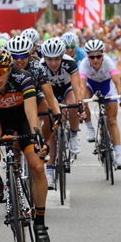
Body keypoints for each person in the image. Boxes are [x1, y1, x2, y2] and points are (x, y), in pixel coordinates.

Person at [0, 48, 50, 242]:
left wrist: (38, 139)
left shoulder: (24, 78)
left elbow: (32, 114)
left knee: (38, 167)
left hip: (22, 119)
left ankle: (40, 223)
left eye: (1, 71)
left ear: (9, 69)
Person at [40, 38, 85, 188]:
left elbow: (77, 87)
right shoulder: (40, 66)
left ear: (62, 56)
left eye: (57, 59)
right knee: (52, 127)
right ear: (44, 58)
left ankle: (73, 134)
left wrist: (80, 105)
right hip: (49, 91)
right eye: (49, 59)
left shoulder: (70, 63)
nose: (53, 63)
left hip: (67, 88)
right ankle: (50, 171)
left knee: (72, 106)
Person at [80, 39, 121, 169]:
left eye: (98, 56)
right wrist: (81, 103)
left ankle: (118, 156)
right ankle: (89, 127)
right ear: (87, 56)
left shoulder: (108, 62)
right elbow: (82, 87)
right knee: (83, 100)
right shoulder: (84, 64)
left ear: (102, 55)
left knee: (112, 121)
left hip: (107, 86)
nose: (95, 59)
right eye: (91, 56)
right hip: (91, 85)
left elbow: (117, 83)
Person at [6, 35, 60, 143]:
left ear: (29, 54)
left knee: (49, 118)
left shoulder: (37, 67)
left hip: (35, 95)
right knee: (16, 140)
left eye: (22, 55)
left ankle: (41, 144)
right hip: (14, 97)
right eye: (15, 56)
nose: (19, 60)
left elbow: (49, 95)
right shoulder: (7, 68)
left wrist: (57, 113)